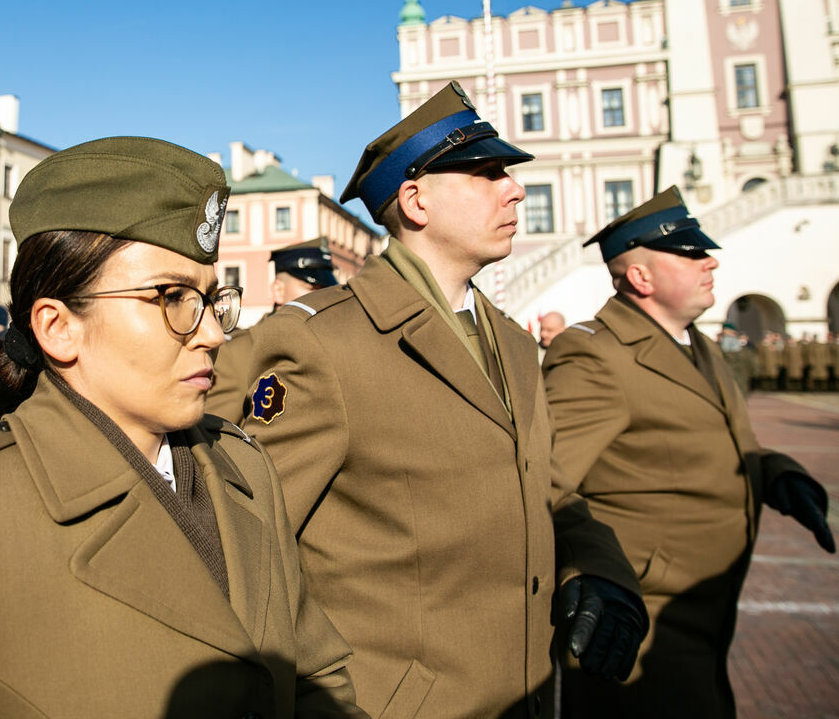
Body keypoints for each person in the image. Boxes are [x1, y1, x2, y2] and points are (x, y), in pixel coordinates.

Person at [0, 137, 365, 718]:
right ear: (58, 327)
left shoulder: (243, 465)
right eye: (173, 298)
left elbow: (314, 678)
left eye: (212, 300)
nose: (211, 332)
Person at [234, 82, 643, 717]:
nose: (515, 188)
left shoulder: (509, 341)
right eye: (485, 173)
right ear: (415, 199)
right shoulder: (324, 342)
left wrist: (597, 565)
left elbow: (549, 490)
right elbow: (248, 544)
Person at [542, 187, 835, 718]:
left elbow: (704, 438)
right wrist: (588, 571)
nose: (710, 262)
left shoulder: (693, 342)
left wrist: (774, 472)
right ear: (641, 277)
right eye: (691, 253)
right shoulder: (596, 354)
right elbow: (545, 481)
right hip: (638, 617)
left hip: (702, 612)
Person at [207, 237, 338, 422]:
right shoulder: (239, 357)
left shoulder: (334, 349)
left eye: (327, 290)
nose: (322, 298)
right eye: (312, 288)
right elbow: (214, 442)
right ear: (278, 290)